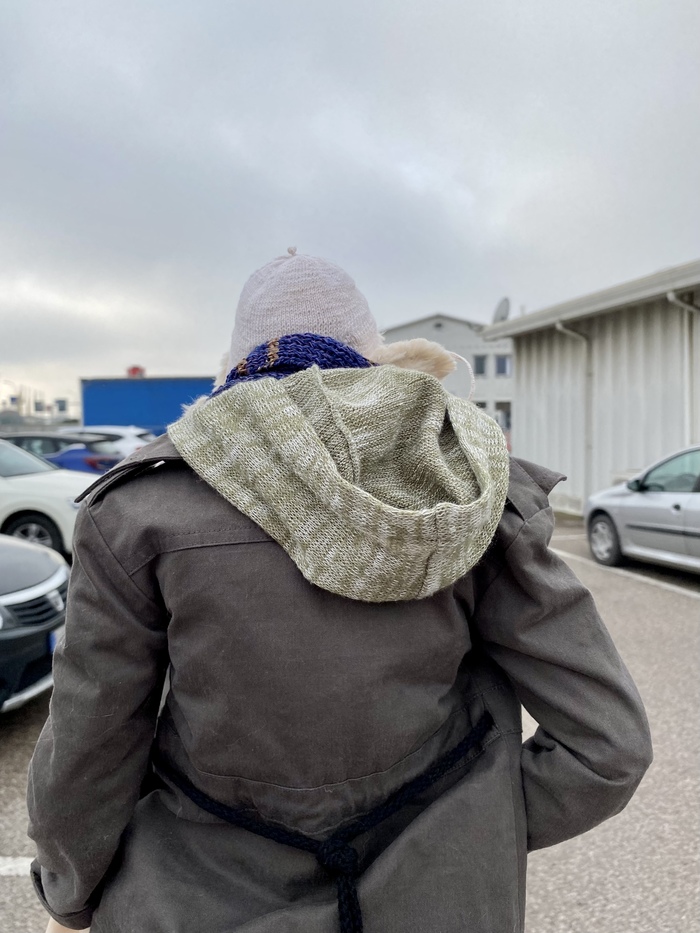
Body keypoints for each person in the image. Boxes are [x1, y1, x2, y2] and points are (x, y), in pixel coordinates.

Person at [28, 249, 652, 933]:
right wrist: (466, 832)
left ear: (233, 368)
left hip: (194, 905)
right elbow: (608, 747)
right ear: (376, 359)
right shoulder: (472, 497)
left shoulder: (137, 512)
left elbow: (88, 748)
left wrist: (70, 892)